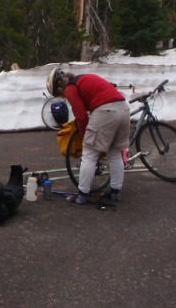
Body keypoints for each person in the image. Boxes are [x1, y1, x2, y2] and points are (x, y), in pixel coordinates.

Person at [46, 67, 129, 205]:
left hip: (106, 111)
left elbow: (81, 116)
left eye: (59, 93)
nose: (63, 96)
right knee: (114, 154)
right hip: (124, 109)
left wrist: (86, 137)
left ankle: (82, 196)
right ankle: (115, 193)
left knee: (89, 154)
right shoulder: (83, 78)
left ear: (59, 85)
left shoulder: (70, 88)